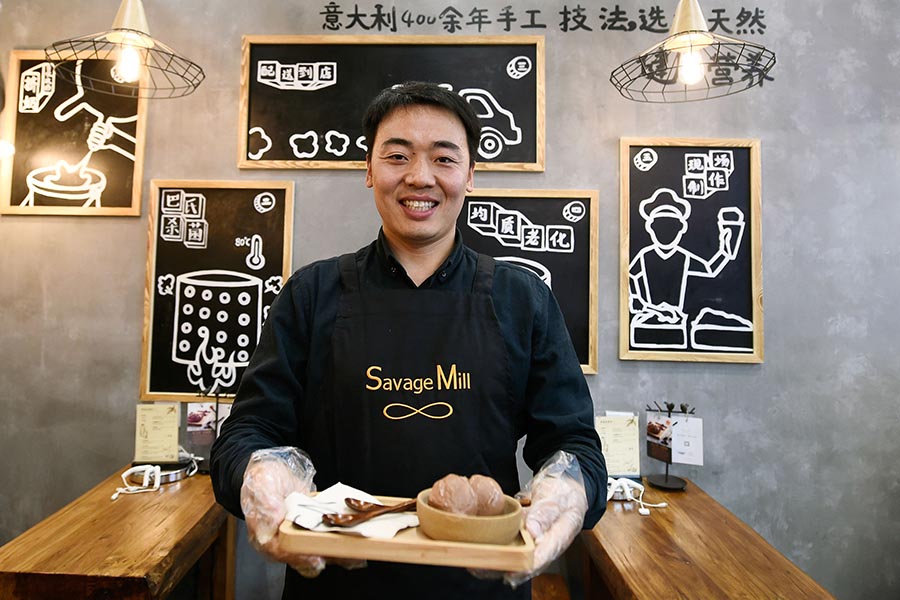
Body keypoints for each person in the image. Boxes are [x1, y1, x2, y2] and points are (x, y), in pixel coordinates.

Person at [211, 81, 607, 599]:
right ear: (369, 169)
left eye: (444, 158)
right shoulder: (312, 294)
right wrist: (257, 471)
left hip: (479, 587)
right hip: (335, 586)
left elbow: (574, 444)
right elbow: (247, 433)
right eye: (397, 156)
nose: (420, 177)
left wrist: (569, 489)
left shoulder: (522, 298)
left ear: (470, 174)